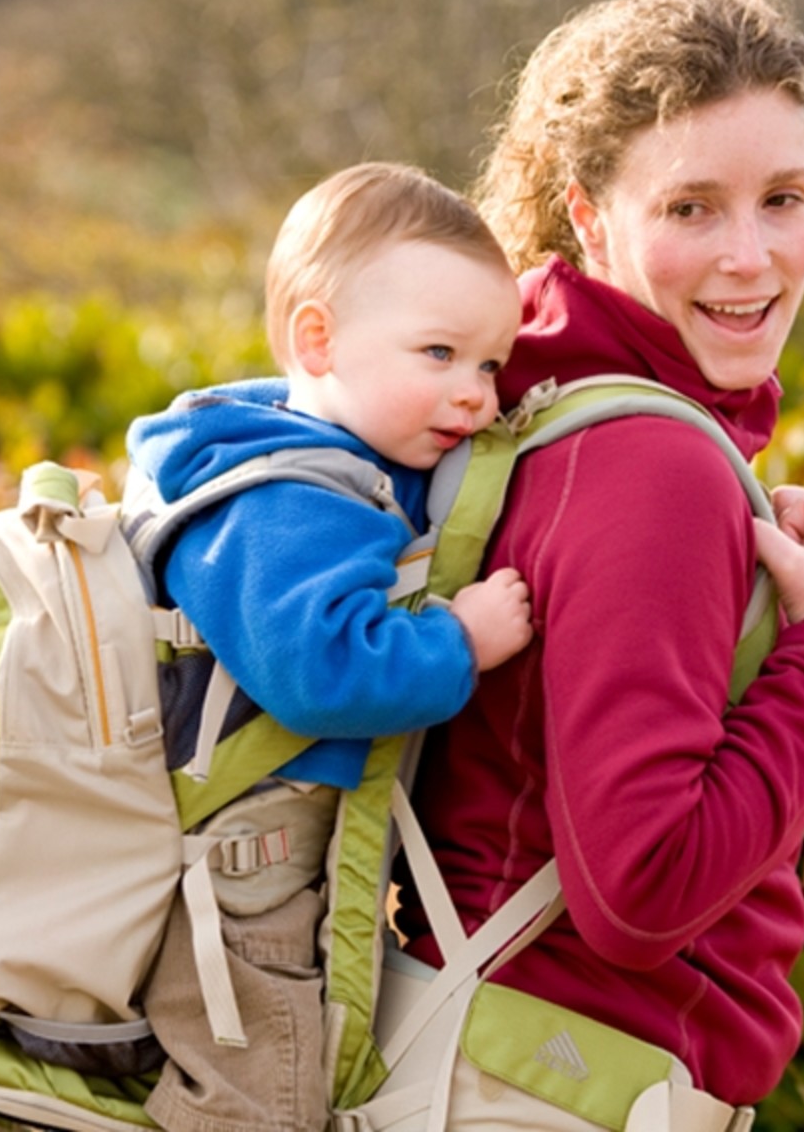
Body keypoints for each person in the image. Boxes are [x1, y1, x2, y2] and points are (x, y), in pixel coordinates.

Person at [393, 0, 804, 1129]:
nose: (751, 258)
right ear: (585, 210)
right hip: (548, 1085)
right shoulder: (648, 463)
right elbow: (642, 888)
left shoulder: (525, 393)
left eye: (785, 196)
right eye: (689, 208)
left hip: (478, 1054)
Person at [125, 161, 532, 1132]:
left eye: (488, 364)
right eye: (438, 353)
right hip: (241, 875)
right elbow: (321, 674)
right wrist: (460, 642)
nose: (474, 394)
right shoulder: (288, 499)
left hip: (234, 849)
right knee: (262, 1095)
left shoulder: (300, 463)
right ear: (318, 339)